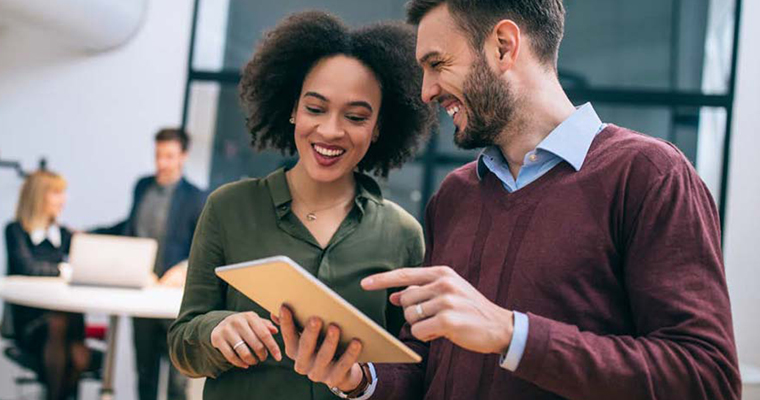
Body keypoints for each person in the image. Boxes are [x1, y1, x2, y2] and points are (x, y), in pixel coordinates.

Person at [285, 1, 742, 399]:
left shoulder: (648, 175)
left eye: (437, 63)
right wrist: (359, 379)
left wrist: (511, 334)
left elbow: (707, 378)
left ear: (504, 45)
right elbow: (426, 366)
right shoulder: (455, 196)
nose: (425, 91)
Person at [167, 11, 435, 400]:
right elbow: (182, 344)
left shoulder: (402, 234)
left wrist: (360, 379)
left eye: (356, 116)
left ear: (378, 127)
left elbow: (408, 369)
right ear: (292, 108)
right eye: (315, 108)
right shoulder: (229, 208)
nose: (330, 130)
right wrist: (215, 331)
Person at [95, 128, 207, 400]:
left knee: (177, 382)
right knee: (144, 374)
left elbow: (204, 244)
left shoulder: (196, 197)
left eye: (169, 156)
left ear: (183, 156)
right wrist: (90, 233)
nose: (162, 163)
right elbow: (129, 227)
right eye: (158, 155)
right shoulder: (142, 186)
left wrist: (182, 269)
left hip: (174, 301)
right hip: (141, 293)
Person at [5, 170, 90, 400]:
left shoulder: (65, 235)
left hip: (69, 326)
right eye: (56, 193)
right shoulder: (16, 232)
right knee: (61, 330)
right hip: (33, 323)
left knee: (75, 350)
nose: (63, 199)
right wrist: (64, 270)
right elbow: (27, 267)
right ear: (38, 196)